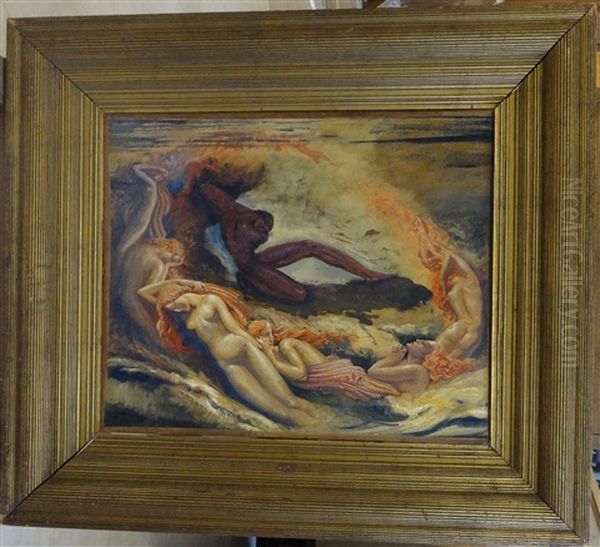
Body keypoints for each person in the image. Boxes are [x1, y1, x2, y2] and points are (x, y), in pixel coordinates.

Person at [180, 160, 390, 303]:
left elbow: (210, 188)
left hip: (256, 261)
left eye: (266, 226)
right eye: (262, 225)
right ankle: (250, 286)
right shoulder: (233, 216)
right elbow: (200, 181)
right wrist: (188, 187)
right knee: (299, 294)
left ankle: (367, 274)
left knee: (310, 246)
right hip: (250, 269)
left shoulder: (238, 213)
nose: (265, 229)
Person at [138, 279, 320, 427]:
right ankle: (311, 426)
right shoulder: (180, 313)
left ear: (178, 293)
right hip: (228, 366)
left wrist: (258, 346)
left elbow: (234, 328)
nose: (175, 309)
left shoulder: (211, 300)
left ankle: (325, 424)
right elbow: (142, 292)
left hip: (244, 348)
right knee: (279, 412)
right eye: (171, 309)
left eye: (175, 304)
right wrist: (174, 283)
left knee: (290, 401)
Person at [247, 320, 400, 400]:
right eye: (265, 334)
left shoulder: (285, 345)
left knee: (389, 393)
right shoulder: (268, 354)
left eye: (270, 333)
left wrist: (271, 358)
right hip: (329, 382)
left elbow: (301, 374)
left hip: (337, 375)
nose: (270, 338)